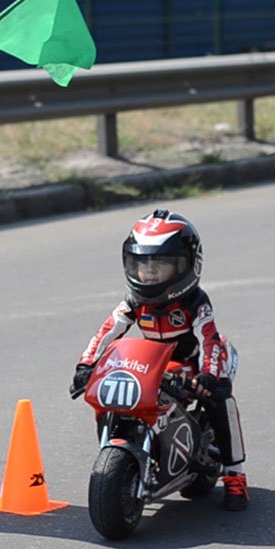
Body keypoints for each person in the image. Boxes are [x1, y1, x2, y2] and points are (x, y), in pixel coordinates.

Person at [69, 209, 248, 511]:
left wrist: (209, 377)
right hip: (152, 363)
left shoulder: (195, 302)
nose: (149, 273)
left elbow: (209, 339)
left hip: (192, 368)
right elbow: (107, 331)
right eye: (142, 265)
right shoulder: (134, 301)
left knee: (222, 400)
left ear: (187, 265)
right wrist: (86, 365)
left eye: (160, 265)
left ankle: (235, 475)